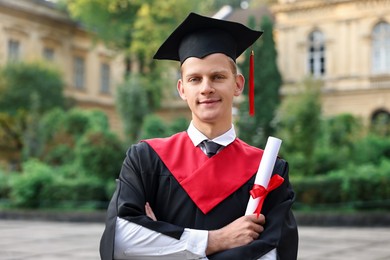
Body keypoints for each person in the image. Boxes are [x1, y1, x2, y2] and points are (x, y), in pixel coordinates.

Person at [100, 12, 298, 260]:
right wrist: (216, 240)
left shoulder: (268, 169)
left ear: (237, 84)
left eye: (217, 77)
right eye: (195, 79)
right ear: (182, 89)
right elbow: (120, 240)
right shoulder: (145, 159)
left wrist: (163, 245)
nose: (206, 88)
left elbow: (275, 253)